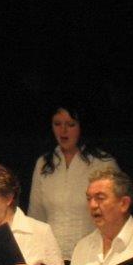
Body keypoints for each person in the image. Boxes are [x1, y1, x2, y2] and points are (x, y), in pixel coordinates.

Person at [28, 106, 117, 257]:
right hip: (51, 257)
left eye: (70, 125)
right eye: (57, 124)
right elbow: (36, 215)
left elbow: (114, 217)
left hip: (92, 256)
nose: (63, 131)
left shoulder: (103, 164)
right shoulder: (43, 163)